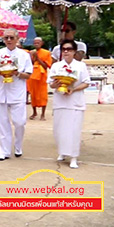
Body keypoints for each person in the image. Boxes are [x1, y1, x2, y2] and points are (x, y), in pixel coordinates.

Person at [0, 28, 33, 161]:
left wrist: (16, 73)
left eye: (11, 38)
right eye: (6, 38)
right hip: (1, 92)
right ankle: (4, 151)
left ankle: (18, 146)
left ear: (17, 39)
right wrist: (0, 71)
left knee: (19, 122)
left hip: (17, 92)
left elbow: (28, 74)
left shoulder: (24, 55)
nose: (8, 40)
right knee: (3, 123)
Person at [48, 39, 91, 169]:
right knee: (60, 129)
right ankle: (62, 152)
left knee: (73, 130)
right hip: (60, 101)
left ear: (74, 52)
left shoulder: (80, 66)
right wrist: (55, 85)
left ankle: (73, 157)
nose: (66, 52)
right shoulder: (56, 66)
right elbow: (50, 83)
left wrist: (73, 89)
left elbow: (86, 82)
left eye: (69, 49)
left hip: (75, 102)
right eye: (64, 49)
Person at [28, 37, 52, 121]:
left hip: (42, 77)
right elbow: (29, 64)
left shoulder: (46, 53)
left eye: (38, 42)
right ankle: (34, 112)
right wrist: (32, 57)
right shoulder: (31, 52)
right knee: (33, 94)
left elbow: (46, 66)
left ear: (42, 43)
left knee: (43, 95)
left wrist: (37, 58)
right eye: (35, 42)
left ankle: (43, 114)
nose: (36, 44)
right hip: (33, 76)